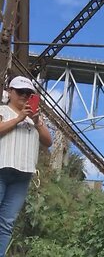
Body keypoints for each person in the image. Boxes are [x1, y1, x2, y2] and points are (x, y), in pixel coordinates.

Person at [0, 76, 52, 256]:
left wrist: (36, 121)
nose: (24, 95)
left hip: (23, 176)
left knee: (6, 223)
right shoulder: (3, 110)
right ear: (10, 91)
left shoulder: (35, 118)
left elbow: (48, 141)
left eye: (28, 93)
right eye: (20, 91)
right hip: (1, 170)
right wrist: (18, 118)